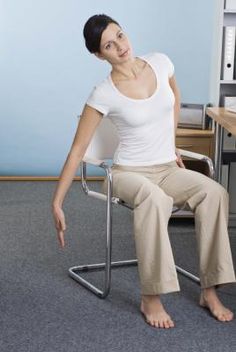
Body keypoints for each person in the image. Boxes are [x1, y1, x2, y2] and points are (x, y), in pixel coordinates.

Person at [52, 14, 236, 329]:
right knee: (153, 198)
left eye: (120, 36)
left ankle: (209, 289)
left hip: (166, 167)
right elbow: (77, 150)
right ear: (100, 55)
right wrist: (57, 202)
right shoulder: (103, 92)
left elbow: (175, 98)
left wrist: (172, 142)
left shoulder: (161, 62)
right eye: (109, 45)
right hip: (129, 173)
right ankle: (150, 296)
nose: (120, 46)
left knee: (213, 192)